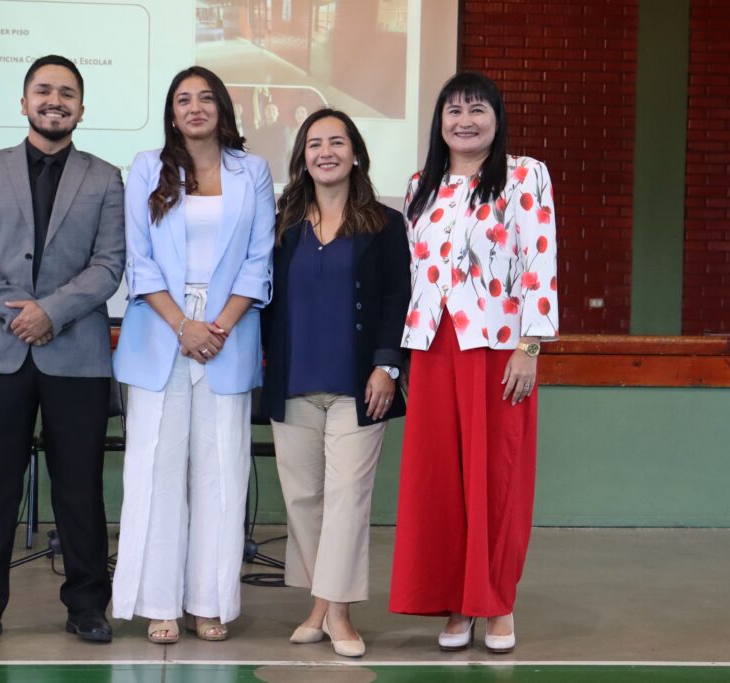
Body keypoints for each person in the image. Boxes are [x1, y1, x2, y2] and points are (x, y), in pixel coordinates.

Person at [0, 54, 125, 647]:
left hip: (77, 355)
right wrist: (20, 313)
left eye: (67, 93)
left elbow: (109, 265)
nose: (55, 101)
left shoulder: (105, 178)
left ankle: (87, 605)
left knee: (80, 487)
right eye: (44, 90)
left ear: (81, 108)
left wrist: (53, 311)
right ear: (23, 103)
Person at [389, 72, 559, 654]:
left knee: (496, 479)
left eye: (477, 109)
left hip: (497, 349)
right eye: (453, 111)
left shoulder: (524, 175)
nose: (465, 120)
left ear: (496, 118)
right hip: (432, 348)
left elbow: (539, 259)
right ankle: (457, 603)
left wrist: (529, 346)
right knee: (439, 482)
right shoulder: (420, 186)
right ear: (439, 122)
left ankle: (497, 603)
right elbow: (414, 271)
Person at [111, 66, 274, 644]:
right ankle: (159, 603)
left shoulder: (253, 171)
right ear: (172, 113)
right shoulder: (145, 167)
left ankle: (210, 602)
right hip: (160, 332)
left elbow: (259, 259)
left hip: (228, 335)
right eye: (184, 99)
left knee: (222, 474)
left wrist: (217, 328)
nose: (195, 107)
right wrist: (184, 325)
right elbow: (138, 259)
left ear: (222, 108)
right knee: (154, 471)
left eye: (206, 98)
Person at [262, 109, 410, 658]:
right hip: (293, 381)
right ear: (302, 158)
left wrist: (387, 365)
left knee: (347, 498)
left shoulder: (385, 224)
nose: (326, 152)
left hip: (359, 386)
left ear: (355, 154)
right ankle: (320, 604)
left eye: (337, 142)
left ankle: (339, 613)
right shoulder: (281, 223)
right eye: (315, 143)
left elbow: (398, 297)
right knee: (304, 499)